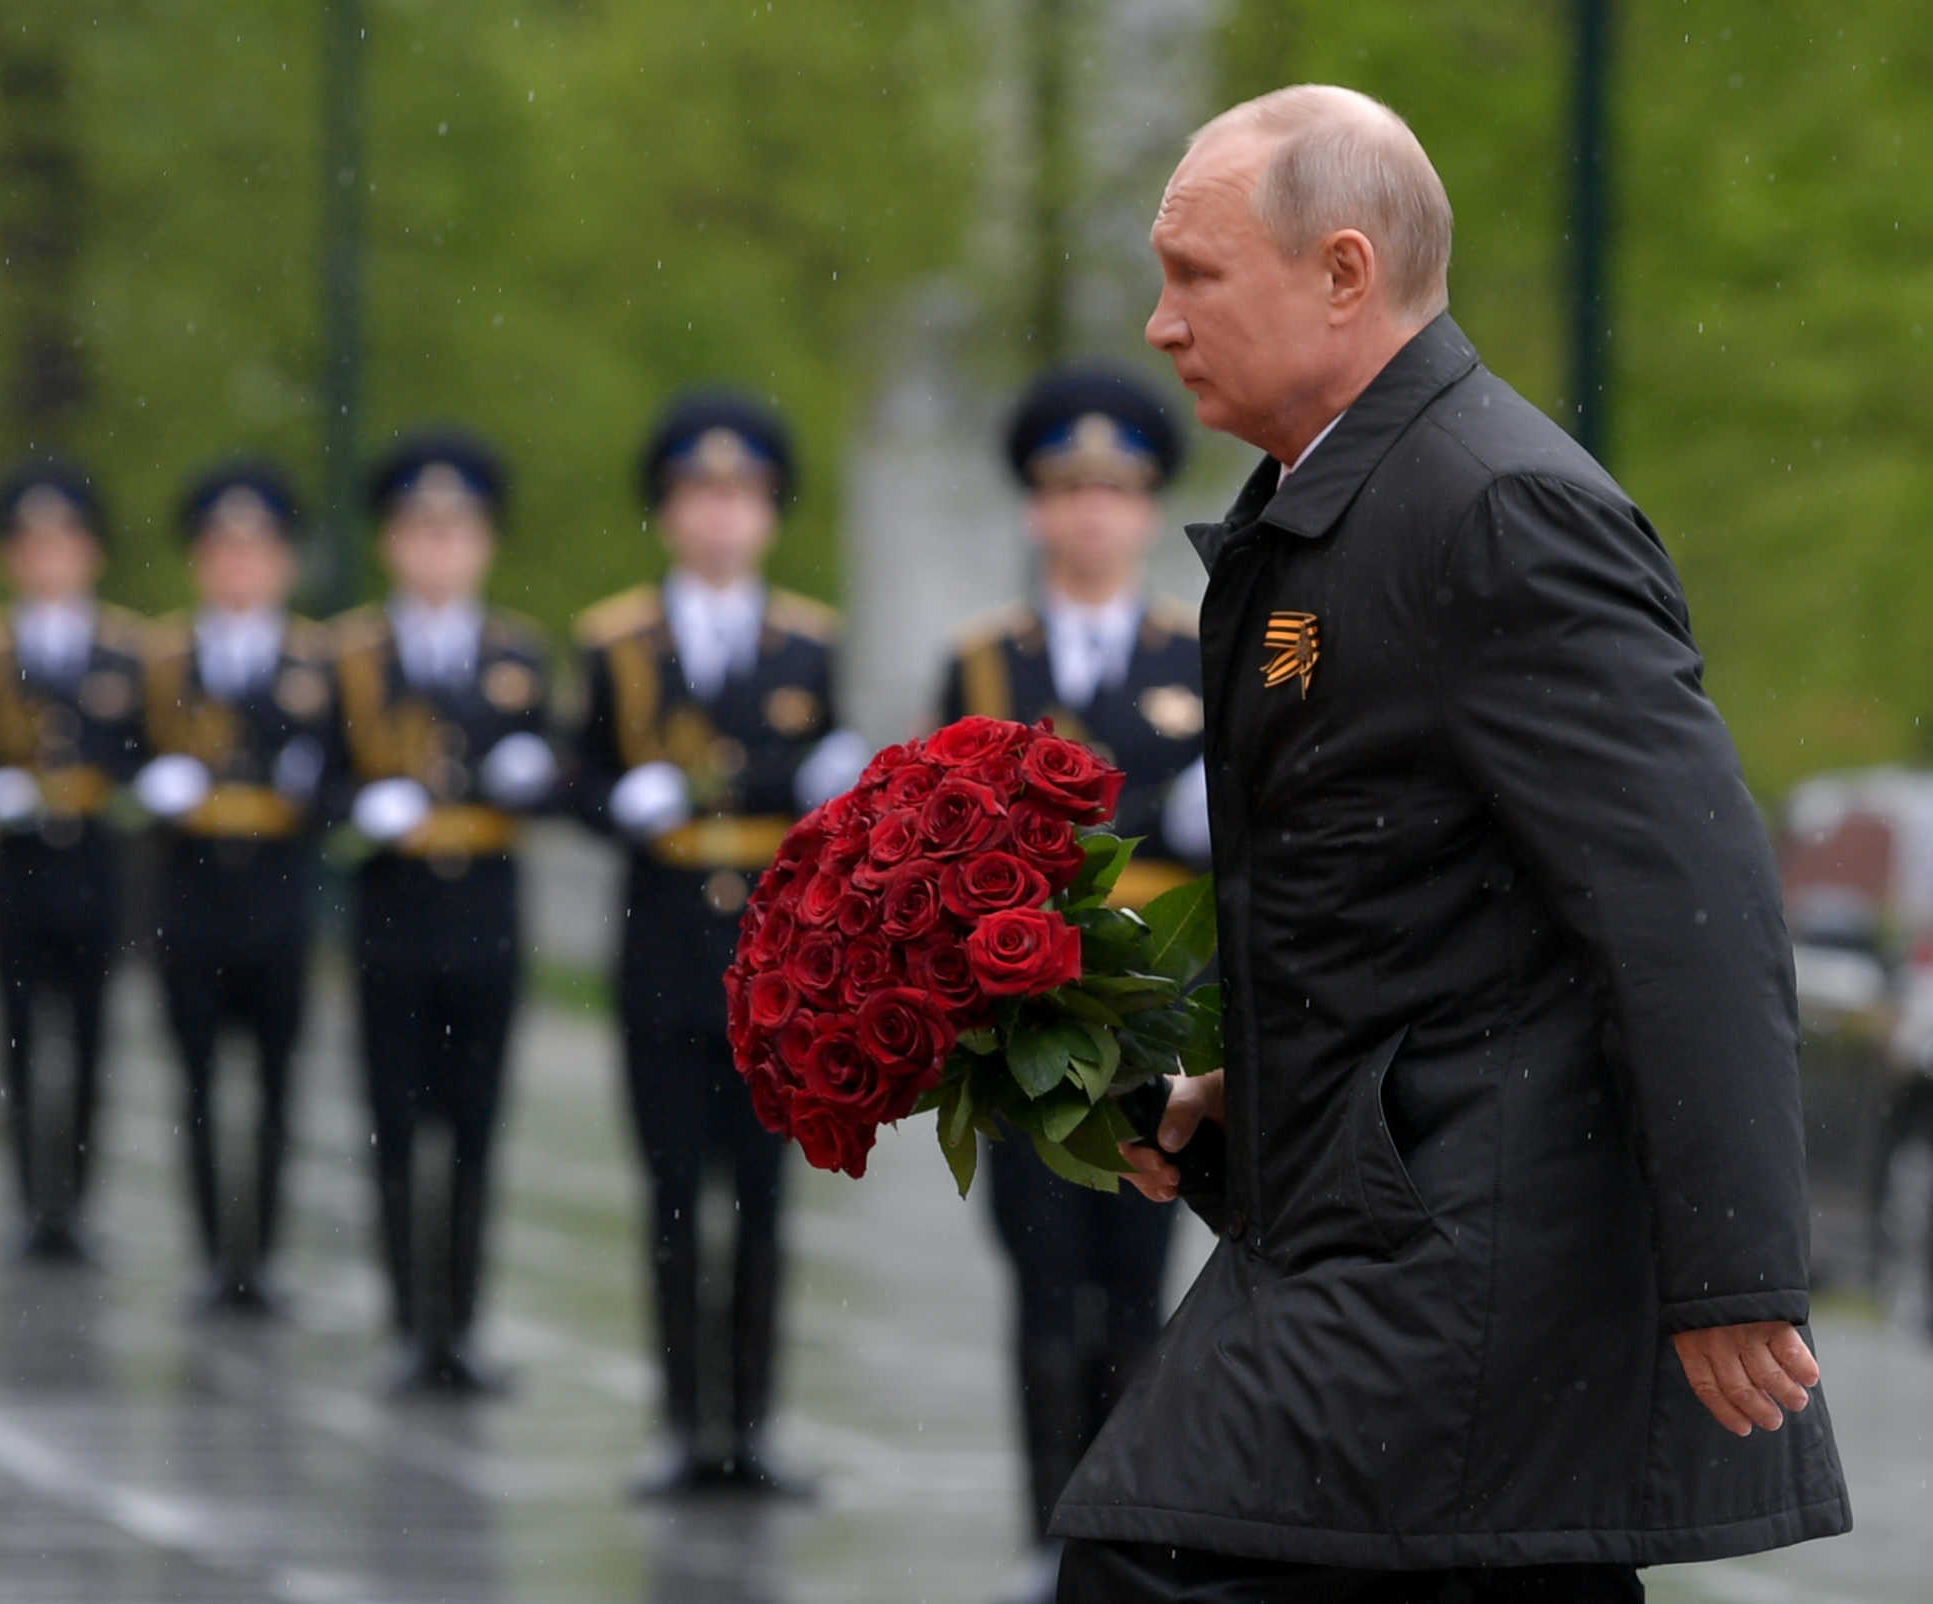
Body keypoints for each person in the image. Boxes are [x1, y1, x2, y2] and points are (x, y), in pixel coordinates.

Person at [1053, 85, 1849, 1602]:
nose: (1160, 324)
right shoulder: (1340, 501)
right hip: (1387, 1223)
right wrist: (1255, 1098)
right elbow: (1412, 906)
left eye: (1197, 276)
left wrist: (1738, 1266)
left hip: (1462, 1259)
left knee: (1155, 1554)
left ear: (1344, 274)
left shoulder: (1495, 508)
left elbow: (1690, 904)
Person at [940, 366, 1209, 1603]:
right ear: (1038, 510)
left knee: (1138, 1278)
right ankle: (1047, 1524)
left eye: (1116, 491)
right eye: (1069, 491)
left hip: (1150, 1001)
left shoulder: (1199, 652)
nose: (1092, 514)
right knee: (1046, 1275)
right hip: (1027, 1004)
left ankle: (1126, 1526)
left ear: (1148, 509)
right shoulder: (988, 661)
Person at [570, 391, 865, 1496]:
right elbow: (572, 775)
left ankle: (751, 1423)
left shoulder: (808, 641)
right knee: (670, 1197)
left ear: (770, 515)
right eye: (699, 495)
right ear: (667, 511)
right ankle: (680, 1422)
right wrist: (617, 800)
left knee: (761, 1203)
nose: (720, 518)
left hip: (776, 964)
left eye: (741, 497)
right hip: (661, 950)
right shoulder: (615, 643)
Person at [330, 430, 556, 1394]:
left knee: (474, 1127)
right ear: (393, 543)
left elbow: (562, 766)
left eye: (457, 531)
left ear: (484, 544)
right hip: (392, 913)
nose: (439, 550)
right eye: (421, 531)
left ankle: (460, 1322)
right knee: (393, 1121)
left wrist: (536, 775)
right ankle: (404, 1323)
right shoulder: (348, 655)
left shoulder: (517, 652)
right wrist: (356, 806)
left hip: (487, 913)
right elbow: (312, 778)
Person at [140, 462, 332, 1316]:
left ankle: (266, 1255)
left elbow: (348, 768)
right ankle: (215, 1253)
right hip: (193, 894)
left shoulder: (321, 664)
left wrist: (314, 787)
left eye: (258, 553)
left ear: (284, 566)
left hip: (280, 897)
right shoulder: (163, 661)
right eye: (223, 552)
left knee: (279, 1084)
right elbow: (119, 749)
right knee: (197, 1081)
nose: (241, 569)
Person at [0, 460, 145, 1264]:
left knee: (90, 1041)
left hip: (94, 861)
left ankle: (76, 1201)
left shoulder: (131, 651)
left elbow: (147, 750)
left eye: (64, 546)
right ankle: (28, 1203)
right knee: (15, 1040)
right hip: (19, 864)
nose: (49, 563)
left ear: (91, 555)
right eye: (33, 548)